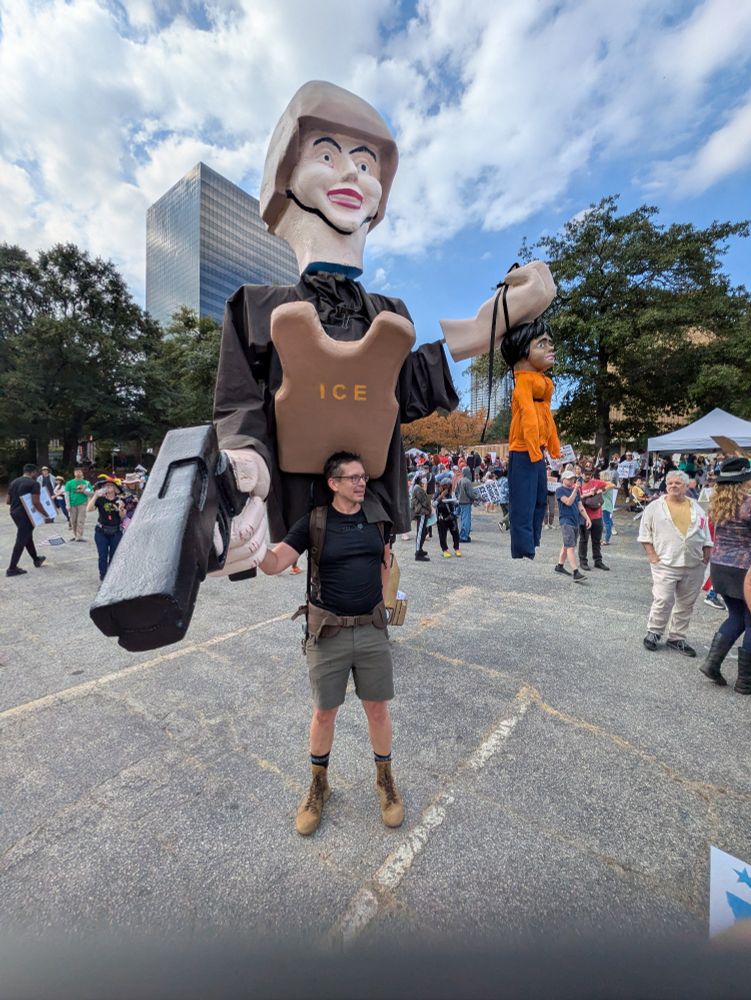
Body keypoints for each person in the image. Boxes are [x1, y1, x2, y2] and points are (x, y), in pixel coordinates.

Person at [210, 80, 555, 578]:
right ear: (286, 177)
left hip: (369, 502)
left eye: (366, 164)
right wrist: (244, 473)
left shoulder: (387, 315)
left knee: (368, 583)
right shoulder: (256, 308)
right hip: (295, 494)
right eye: (326, 155)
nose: (351, 172)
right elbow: (238, 405)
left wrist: (494, 322)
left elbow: (405, 386)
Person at [259, 452, 403, 836]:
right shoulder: (315, 522)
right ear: (333, 483)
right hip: (328, 635)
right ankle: (318, 785)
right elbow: (274, 564)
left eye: (364, 476)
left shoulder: (377, 518)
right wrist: (250, 543)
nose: (361, 483)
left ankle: (385, 779)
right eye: (352, 477)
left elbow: (385, 563)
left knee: (378, 711)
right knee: (324, 714)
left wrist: (384, 605)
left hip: (371, 631)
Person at [500, 317, 561, 559]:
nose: (550, 348)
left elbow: (547, 418)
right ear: (524, 352)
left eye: (550, 343)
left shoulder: (543, 385)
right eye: (541, 344)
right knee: (523, 502)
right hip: (524, 449)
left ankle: (533, 541)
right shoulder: (523, 384)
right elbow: (527, 416)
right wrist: (535, 448)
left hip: (538, 450)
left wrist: (553, 447)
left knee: (539, 500)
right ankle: (522, 546)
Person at [638, 470, 712, 656]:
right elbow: (645, 535)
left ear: (686, 486)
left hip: (694, 564)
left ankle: (677, 637)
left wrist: (706, 556)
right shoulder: (655, 507)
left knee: (686, 603)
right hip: (665, 563)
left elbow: (706, 534)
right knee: (663, 599)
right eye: (670, 483)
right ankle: (654, 632)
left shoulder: (696, 507)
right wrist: (653, 557)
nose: (673, 486)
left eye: (677, 483)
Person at [698, 458, 751, 693]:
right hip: (744, 569)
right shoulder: (748, 504)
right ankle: (745, 682)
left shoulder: (718, 504)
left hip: (720, 566)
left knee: (736, 617)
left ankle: (712, 664)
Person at [5, 463, 53, 576]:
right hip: (26, 515)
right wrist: (46, 514)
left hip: (14, 512)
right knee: (21, 539)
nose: (37, 475)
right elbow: (36, 502)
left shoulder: (14, 482)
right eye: (36, 473)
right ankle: (12, 568)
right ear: (33, 472)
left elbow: (8, 501)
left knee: (27, 536)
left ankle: (36, 559)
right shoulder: (34, 484)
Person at [554, 467, 589, 584]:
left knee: (567, 544)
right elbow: (568, 502)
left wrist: (587, 518)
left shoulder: (576, 490)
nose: (571, 481)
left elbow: (580, 506)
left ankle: (560, 566)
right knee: (570, 547)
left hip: (576, 521)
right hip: (566, 521)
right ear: (563, 479)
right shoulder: (560, 490)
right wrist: (575, 489)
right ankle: (576, 572)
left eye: (572, 479)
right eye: (569, 479)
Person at [87, 478, 126, 581]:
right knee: (102, 556)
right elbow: (89, 509)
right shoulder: (100, 499)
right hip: (101, 532)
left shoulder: (120, 500)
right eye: (105, 486)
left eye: (110, 485)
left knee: (114, 556)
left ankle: (112, 576)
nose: (107, 487)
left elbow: (122, 517)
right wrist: (95, 496)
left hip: (116, 531)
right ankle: (103, 576)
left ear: (115, 488)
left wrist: (121, 509)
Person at [578, 467, 610, 571]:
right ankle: (583, 561)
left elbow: (611, 484)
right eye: (586, 474)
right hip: (585, 517)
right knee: (584, 540)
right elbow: (577, 499)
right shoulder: (578, 485)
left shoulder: (596, 482)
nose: (588, 476)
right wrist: (588, 494)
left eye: (590, 474)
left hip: (597, 516)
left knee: (596, 540)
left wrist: (602, 490)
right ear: (581, 474)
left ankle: (598, 561)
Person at [65, 467, 93, 541]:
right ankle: (75, 535)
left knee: (80, 520)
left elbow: (91, 494)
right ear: (74, 473)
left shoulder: (86, 483)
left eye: (79, 472)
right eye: (76, 472)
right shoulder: (69, 483)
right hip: (72, 504)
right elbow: (66, 494)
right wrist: (67, 504)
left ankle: (79, 536)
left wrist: (84, 491)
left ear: (82, 473)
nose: (78, 473)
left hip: (82, 503)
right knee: (73, 521)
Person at [435, 481, 461, 558]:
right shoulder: (437, 493)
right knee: (442, 535)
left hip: (452, 517)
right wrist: (441, 497)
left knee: (455, 533)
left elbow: (456, 503)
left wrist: (455, 502)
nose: (447, 488)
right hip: (442, 517)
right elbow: (433, 504)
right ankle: (445, 550)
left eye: (448, 486)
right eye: (445, 486)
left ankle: (457, 548)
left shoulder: (452, 493)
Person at [411, 474, 432, 561]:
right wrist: (430, 509)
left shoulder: (418, 488)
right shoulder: (418, 488)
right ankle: (418, 553)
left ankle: (420, 549)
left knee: (423, 532)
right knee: (420, 532)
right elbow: (424, 501)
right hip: (422, 512)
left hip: (422, 512)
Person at [455, 466, 477, 543]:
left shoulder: (460, 480)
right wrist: (475, 498)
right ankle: (464, 536)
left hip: (460, 502)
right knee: (466, 520)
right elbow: (470, 494)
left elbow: (456, 492)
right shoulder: (468, 482)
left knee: (462, 520)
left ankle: (462, 535)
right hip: (466, 502)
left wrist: (458, 498)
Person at [599, 469, 616, 545]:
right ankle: (605, 539)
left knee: (607, 522)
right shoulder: (608, 484)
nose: (599, 478)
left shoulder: (607, 484)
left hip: (605, 505)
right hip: (606, 505)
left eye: (600, 476)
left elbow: (602, 491)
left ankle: (606, 540)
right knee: (607, 521)